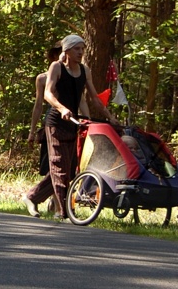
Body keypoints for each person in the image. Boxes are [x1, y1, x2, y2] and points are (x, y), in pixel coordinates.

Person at [41, 33, 118, 220]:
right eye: (77, 49)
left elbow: (95, 99)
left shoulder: (85, 71)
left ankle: (33, 196)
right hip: (55, 122)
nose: (81, 52)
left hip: (73, 124)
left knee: (69, 168)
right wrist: (61, 109)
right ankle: (63, 211)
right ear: (66, 50)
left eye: (82, 49)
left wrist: (110, 117)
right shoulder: (56, 67)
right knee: (59, 166)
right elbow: (47, 94)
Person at [21, 41, 61, 217]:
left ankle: (55, 201)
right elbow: (38, 105)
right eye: (60, 52)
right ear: (54, 56)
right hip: (51, 123)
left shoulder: (75, 74)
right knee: (50, 165)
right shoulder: (43, 78)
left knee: (66, 165)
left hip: (69, 123)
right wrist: (32, 131)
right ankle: (46, 198)